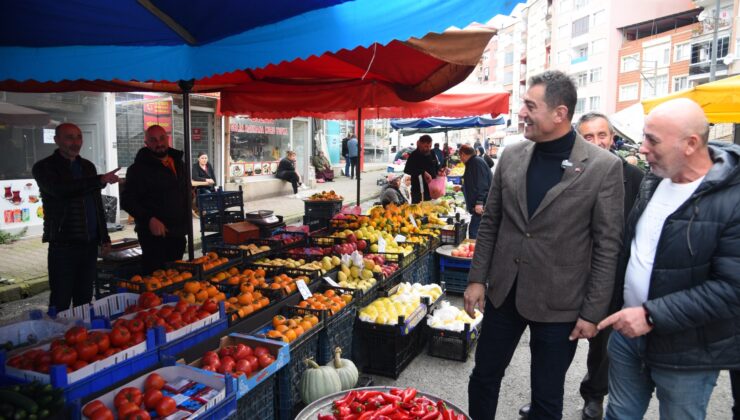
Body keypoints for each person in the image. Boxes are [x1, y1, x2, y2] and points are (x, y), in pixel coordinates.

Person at [464, 70, 624, 420]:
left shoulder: (603, 167)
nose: (521, 113)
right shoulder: (511, 155)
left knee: (547, 398)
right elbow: (491, 221)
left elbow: (607, 246)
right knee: (484, 377)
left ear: (559, 113)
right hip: (504, 291)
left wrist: (592, 312)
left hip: (560, 303)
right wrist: (477, 279)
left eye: (529, 105)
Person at [597, 98, 740, 420]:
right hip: (627, 338)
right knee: (619, 414)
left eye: (653, 140)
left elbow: (732, 288)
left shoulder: (733, 198)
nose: (642, 149)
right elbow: (631, 251)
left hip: (688, 352)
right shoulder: (654, 180)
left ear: (690, 144)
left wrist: (650, 315)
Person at [519, 112, 645, 420]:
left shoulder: (636, 177)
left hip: (611, 276)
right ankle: (545, 400)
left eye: (602, 135)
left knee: (601, 348)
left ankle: (594, 395)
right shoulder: (571, 170)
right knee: (557, 347)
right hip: (569, 276)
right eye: (588, 137)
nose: (597, 142)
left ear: (613, 138)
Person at [33, 123, 120, 310]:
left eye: (78, 137)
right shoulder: (44, 167)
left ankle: (81, 335)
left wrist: (104, 237)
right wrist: (99, 180)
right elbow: (60, 190)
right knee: (61, 300)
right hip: (63, 245)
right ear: (56, 140)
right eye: (69, 137)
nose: (75, 142)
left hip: (88, 245)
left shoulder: (87, 166)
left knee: (84, 299)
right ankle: (58, 337)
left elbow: (97, 204)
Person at [121, 125, 190, 275]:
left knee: (176, 277)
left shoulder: (179, 163)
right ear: (146, 143)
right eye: (153, 140)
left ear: (168, 139)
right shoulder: (138, 169)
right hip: (153, 237)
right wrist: (149, 219)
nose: (159, 143)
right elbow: (127, 200)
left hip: (177, 232)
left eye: (162, 138)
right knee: (155, 278)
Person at [458, 144, 491, 239]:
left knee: (473, 231)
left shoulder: (476, 163)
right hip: (480, 204)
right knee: (475, 231)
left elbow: (482, 184)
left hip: (482, 205)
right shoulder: (473, 162)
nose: (460, 159)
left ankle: (476, 253)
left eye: (460, 156)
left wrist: (480, 202)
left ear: (463, 154)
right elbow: (474, 183)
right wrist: (462, 188)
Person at [403, 135, 440, 203]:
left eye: (430, 146)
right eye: (426, 146)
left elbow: (436, 167)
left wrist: (440, 171)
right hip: (418, 192)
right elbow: (407, 169)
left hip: (432, 190)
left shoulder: (432, 153)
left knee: (432, 211)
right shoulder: (414, 155)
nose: (428, 148)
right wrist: (423, 172)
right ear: (419, 144)